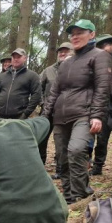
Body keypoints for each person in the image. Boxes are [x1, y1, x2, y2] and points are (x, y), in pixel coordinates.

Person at [42, 19, 111, 203]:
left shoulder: (99, 56)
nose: (75, 36)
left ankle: (80, 195)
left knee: (77, 150)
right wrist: (44, 116)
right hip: (60, 116)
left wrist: (97, 115)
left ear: (92, 35)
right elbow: (55, 91)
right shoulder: (66, 63)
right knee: (62, 158)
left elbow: (102, 87)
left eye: (80, 32)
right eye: (72, 34)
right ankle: (69, 196)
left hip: (84, 114)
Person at [40, 42, 73, 170]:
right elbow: (39, 89)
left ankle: (61, 167)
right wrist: (43, 103)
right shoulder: (48, 70)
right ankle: (40, 164)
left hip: (65, 112)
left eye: (66, 51)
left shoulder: (75, 69)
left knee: (62, 141)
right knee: (42, 139)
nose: (62, 53)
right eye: (60, 51)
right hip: (47, 111)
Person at [91, 34, 112, 176]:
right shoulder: (103, 67)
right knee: (101, 141)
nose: (102, 52)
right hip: (106, 110)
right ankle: (97, 167)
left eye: (104, 47)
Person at [0, 48, 42, 119]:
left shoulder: (32, 76)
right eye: (14, 57)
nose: (16, 59)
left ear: (25, 58)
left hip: (19, 117)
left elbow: (36, 95)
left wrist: (26, 114)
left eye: (18, 57)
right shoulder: (2, 76)